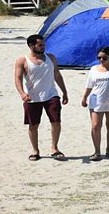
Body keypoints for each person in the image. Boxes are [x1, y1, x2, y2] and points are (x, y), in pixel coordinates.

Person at [13, 34, 69, 162]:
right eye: (40, 45)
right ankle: (35, 150)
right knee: (33, 125)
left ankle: (54, 148)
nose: (43, 47)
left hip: (51, 95)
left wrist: (64, 92)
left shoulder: (51, 58)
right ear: (31, 46)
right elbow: (17, 78)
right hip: (32, 98)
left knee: (56, 122)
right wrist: (22, 93)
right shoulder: (22, 61)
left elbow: (57, 75)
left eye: (43, 44)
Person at [81, 46, 109, 161]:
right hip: (96, 101)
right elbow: (89, 86)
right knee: (96, 126)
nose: (101, 60)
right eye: (99, 58)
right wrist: (84, 97)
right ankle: (97, 152)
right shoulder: (93, 69)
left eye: (104, 58)